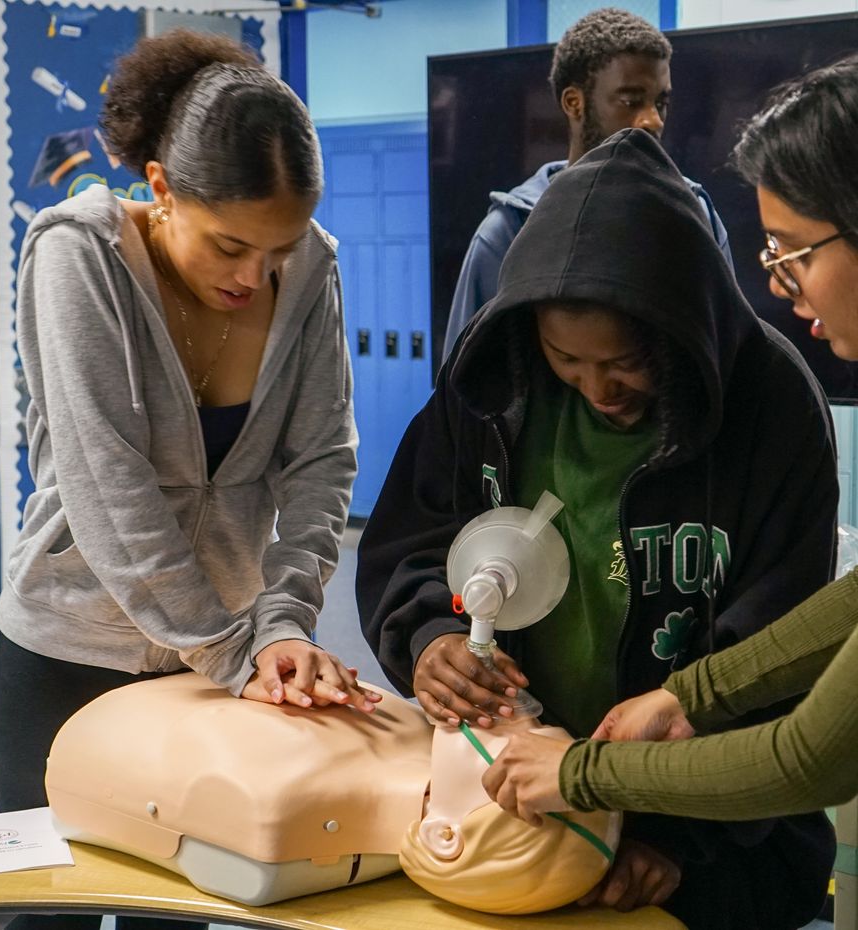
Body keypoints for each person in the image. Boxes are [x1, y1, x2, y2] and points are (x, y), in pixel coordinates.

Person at [355, 127, 837, 929]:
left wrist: (674, 843)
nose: (596, 389)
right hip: (515, 801)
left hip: (706, 835)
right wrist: (430, 639)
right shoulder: (493, 385)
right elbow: (412, 536)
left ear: (685, 335)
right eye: (565, 361)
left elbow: (776, 666)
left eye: (624, 364)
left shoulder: (773, 410)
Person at [0, 30, 378, 930]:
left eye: (276, 253)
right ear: (161, 188)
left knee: (190, 908)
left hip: (217, 666)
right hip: (72, 651)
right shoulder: (75, 256)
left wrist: (280, 621)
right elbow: (107, 489)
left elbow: (323, 465)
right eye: (231, 245)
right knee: (49, 915)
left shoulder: (311, 266)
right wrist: (239, 651)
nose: (256, 276)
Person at [480, 48, 858, 913]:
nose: (784, 284)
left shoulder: (772, 404)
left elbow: (810, 756)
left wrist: (583, 772)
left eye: (796, 252)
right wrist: (688, 694)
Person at [440, 7, 732, 360]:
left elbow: (731, 354)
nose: (652, 120)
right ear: (574, 103)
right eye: (630, 100)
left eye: (661, 102)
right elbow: (463, 383)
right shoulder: (510, 231)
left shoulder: (697, 215)